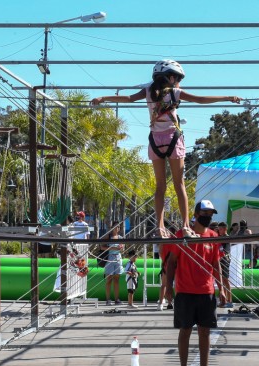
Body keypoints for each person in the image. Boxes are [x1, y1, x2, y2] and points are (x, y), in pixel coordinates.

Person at [91, 60, 242, 238]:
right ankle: (186, 226)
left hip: (155, 140)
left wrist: (104, 98)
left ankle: (160, 227)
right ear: (170, 78)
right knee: (179, 185)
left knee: (160, 187)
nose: (179, 82)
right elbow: (200, 100)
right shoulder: (175, 92)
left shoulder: (147, 90)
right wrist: (227, 98)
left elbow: (128, 98)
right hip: (173, 138)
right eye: (178, 78)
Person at [164, 200, 223, 366]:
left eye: (210, 214)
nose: (208, 217)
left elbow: (216, 264)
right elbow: (171, 262)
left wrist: (221, 288)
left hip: (206, 291)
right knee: (185, 330)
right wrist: (168, 288)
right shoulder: (182, 235)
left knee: (205, 332)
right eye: (205, 213)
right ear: (196, 214)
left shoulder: (213, 236)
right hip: (185, 291)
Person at [100, 224, 124, 306]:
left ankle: (117, 299)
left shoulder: (120, 238)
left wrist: (121, 248)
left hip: (118, 258)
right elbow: (101, 247)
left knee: (117, 279)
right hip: (109, 258)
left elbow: (122, 248)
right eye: (115, 227)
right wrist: (113, 248)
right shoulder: (108, 236)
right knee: (109, 279)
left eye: (118, 227)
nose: (117, 228)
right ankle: (108, 299)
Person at [216, 222, 233, 308]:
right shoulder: (219, 237)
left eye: (221, 229)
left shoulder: (226, 238)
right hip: (220, 260)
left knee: (226, 280)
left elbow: (226, 251)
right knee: (221, 280)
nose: (219, 231)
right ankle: (224, 300)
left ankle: (230, 300)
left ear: (225, 229)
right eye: (219, 229)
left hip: (225, 260)